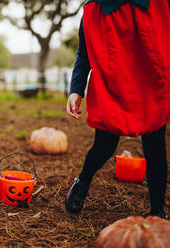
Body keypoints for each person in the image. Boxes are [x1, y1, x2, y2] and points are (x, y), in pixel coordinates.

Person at [65, 0, 169, 218]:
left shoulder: (159, 5)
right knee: (104, 146)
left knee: (155, 147)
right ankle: (83, 180)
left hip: (149, 84)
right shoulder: (93, 11)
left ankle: (157, 212)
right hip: (112, 86)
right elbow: (84, 53)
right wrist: (76, 89)